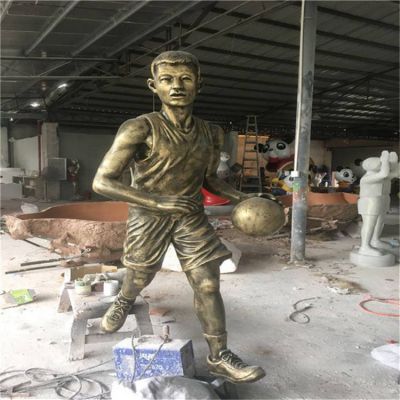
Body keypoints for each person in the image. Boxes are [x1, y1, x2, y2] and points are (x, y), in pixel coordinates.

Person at [92, 51, 266, 383]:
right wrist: (158, 202)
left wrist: (244, 198)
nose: (176, 86)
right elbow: (102, 182)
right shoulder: (139, 128)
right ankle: (124, 299)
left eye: (185, 79)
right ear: (153, 86)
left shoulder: (212, 132)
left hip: (189, 215)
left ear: (199, 85)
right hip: (148, 214)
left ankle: (219, 355)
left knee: (208, 283)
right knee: (140, 276)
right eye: (167, 80)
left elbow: (210, 179)